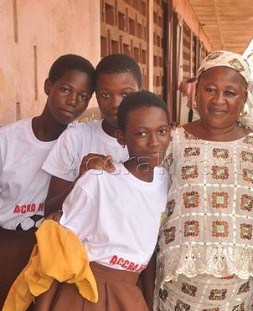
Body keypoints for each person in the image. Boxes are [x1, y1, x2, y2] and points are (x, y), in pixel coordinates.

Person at [34, 90, 170, 310]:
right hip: (88, 290)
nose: (154, 142)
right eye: (142, 134)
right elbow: (59, 240)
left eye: (162, 131)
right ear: (121, 137)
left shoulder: (166, 181)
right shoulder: (99, 181)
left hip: (129, 288)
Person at [153, 50, 253, 310]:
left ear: (244, 98)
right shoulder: (172, 140)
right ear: (196, 91)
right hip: (177, 286)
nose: (218, 100)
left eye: (230, 93)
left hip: (238, 288)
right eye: (210, 89)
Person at [0, 54, 95, 306]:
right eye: (65, 89)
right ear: (47, 87)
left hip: (54, 253)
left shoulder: (82, 145)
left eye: (84, 96)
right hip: (9, 245)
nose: (73, 101)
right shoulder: (7, 141)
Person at [42, 54, 142, 215]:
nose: (116, 104)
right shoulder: (76, 138)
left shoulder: (153, 142)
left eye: (125, 94)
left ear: (140, 93)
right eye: (105, 95)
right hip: (80, 239)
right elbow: (50, 209)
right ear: (95, 96)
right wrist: (83, 178)